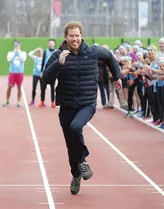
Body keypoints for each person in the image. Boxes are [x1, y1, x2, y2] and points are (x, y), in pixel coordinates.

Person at [42, 21, 122, 195]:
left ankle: (83, 161)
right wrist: (59, 64)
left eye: (77, 35)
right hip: (66, 105)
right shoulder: (58, 54)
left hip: (87, 103)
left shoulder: (92, 51)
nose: (74, 39)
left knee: (76, 127)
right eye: (71, 35)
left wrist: (117, 76)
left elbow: (109, 55)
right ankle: (76, 175)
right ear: (66, 37)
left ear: (81, 35)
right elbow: (46, 78)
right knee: (71, 147)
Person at [3, 41, 27, 107]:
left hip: (20, 72)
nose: (16, 46)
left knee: (19, 87)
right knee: (9, 86)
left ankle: (18, 101)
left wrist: (18, 52)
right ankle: (7, 100)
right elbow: (9, 59)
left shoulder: (23, 53)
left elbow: (23, 59)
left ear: (20, 46)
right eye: (15, 45)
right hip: (12, 72)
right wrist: (14, 52)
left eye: (18, 45)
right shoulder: (10, 53)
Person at [39, 39, 56, 108]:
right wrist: (41, 72)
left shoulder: (57, 52)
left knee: (52, 88)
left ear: (54, 44)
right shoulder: (46, 52)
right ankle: (42, 101)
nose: (51, 44)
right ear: (48, 44)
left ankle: (53, 102)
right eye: (49, 43)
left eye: (52, 43)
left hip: (53, 72)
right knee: (43, 88)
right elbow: (43, 62)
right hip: (46, 72)